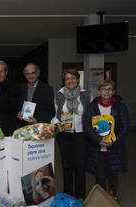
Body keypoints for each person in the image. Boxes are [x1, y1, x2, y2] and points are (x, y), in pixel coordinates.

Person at [84, 80, 130, 200]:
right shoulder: (92, 107)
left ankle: (112, 198)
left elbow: (125, 127)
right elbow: (87, 126)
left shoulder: (121, 107)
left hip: (115, 148)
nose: (106, 92)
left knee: (113, 176)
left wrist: (114, 141)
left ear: (113, 92)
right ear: (99, 91)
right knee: (99, 175)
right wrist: (98, 140)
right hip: (97, 148)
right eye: (104, 89)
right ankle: (100, 198)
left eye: (109, 89)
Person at [51, 69, 91, 200]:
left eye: (73, 78)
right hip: (64, 135)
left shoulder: (86, 95)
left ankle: (80, 195)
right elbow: (55, 115)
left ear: (78, 79)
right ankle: (68, 195)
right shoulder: (59, 95)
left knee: (80, 165)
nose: (70, 81)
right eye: (67, 79)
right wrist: (57, 124)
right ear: (64, 81)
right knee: (67, 166)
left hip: (81, 134)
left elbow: (91, 114)